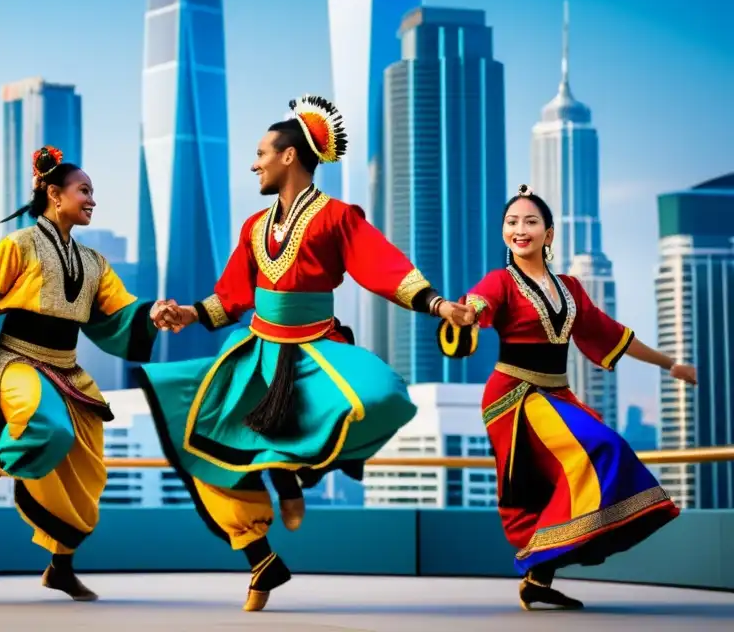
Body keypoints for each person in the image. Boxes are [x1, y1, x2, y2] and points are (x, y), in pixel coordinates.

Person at [143, 95, 476, 612]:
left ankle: (297, 474)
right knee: (203, 448)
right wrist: (186, 314)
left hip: (314, 348)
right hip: (255, 352)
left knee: (379, 394)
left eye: (261, 153)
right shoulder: (254, 227)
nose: (254, 163)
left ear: (289, 157)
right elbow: (232, 293)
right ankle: (259, 554)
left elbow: (379, 265)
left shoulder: (337, 217)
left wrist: (437, 304)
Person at [437, 184, 693, 611]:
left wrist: (670, 365)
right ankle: (539, 560)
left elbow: (611, 334)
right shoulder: (500, 281)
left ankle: (538, 579)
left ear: (549, 234)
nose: (520, 230)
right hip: (515, 397)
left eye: (530, 222)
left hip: (556, 395)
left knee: (563, 478)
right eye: (512, 222)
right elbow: (478, 305)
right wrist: (464, 314)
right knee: (599, 448)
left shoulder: (570, 287)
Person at [0, 145, 165, 602]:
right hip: (15, 359)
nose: (92, 199)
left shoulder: (94, 262)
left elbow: (120, 313)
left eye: (93, 192)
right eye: (84, 190)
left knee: (87, 471)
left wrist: (154, 313)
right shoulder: (17, 245)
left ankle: (60, 566)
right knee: (46, 424)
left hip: (68, 370)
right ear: (54, 194)